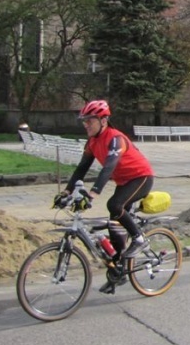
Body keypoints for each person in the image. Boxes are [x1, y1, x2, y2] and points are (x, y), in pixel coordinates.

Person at [58, 100, 155, 270]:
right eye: (84, 120)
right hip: (125, 182)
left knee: (115, 205)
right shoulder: (92, 142)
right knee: (115, 230)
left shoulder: (115, 139)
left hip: (141, 178)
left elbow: (109, 166)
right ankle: (118, 272)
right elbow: (81, 168)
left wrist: (93, 193)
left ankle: (139, 239)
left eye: (90, 120)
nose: (86, 124)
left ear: (103, 121)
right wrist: (66, 192)